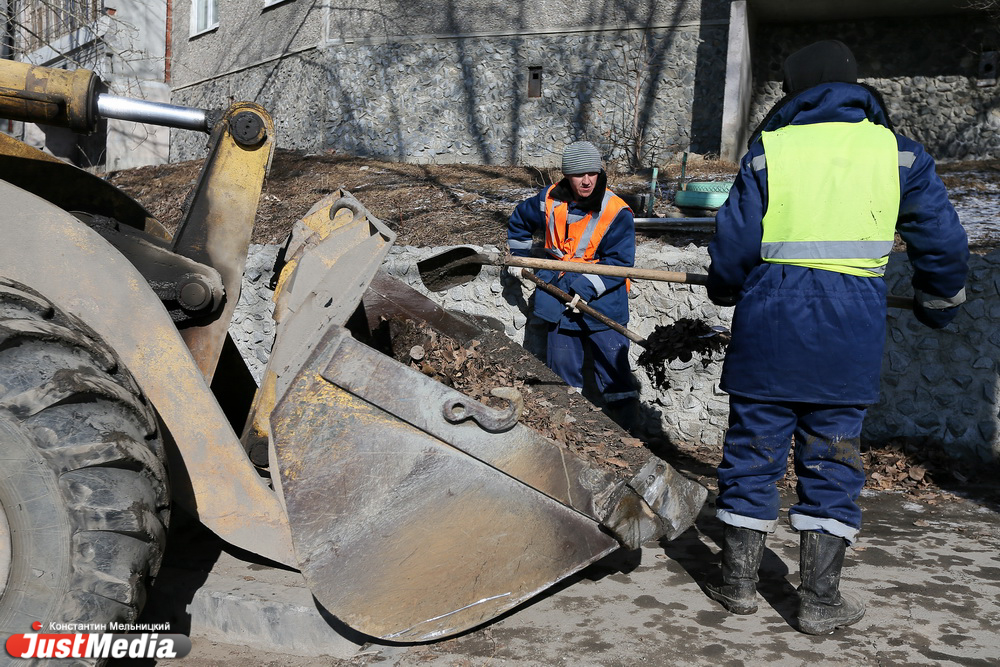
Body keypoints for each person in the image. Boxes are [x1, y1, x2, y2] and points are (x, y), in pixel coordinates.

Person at [703, 40, 969, 635]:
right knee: (832, 460)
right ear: (854, 85)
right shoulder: (898, 152)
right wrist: (939, 304)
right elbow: (942, 243)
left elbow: (735, 243)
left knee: (752, 453)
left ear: (792, 92)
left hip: (769, 324)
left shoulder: (770, 149)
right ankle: (820, 602)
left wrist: (725, 288)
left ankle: (738, 585)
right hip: (849, 331)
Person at [506, 140, 640, 425]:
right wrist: (519, 259)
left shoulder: (616, 211)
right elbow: (519, 220)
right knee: (562, 376)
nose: (588, 180)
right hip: (558, 297)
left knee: (615, 372)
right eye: (580, 175)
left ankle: (632, 437)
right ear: (567, 175)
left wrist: (585, 289)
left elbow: (619, 264)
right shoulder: (550, 199)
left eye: (593, 173)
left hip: (604, 303)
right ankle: (568, 436)